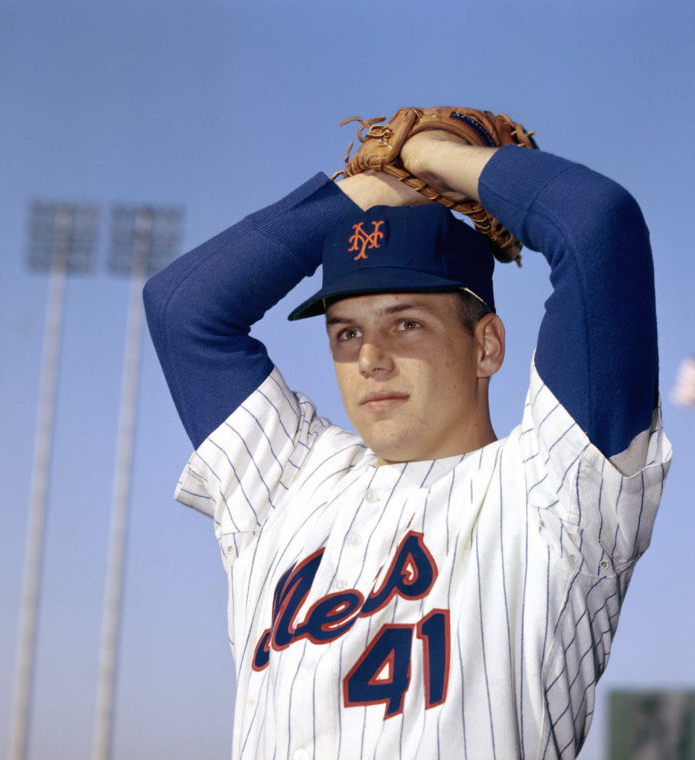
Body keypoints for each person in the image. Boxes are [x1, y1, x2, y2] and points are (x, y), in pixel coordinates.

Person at [143, 109, 672, 760]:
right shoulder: (288, 483)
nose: (370, 358)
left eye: (407, 323)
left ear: (486, 345)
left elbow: (596, 224)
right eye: (347, 332)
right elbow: (180, 309)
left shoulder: (552, 492)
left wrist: (434, 157)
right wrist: (367, 192)